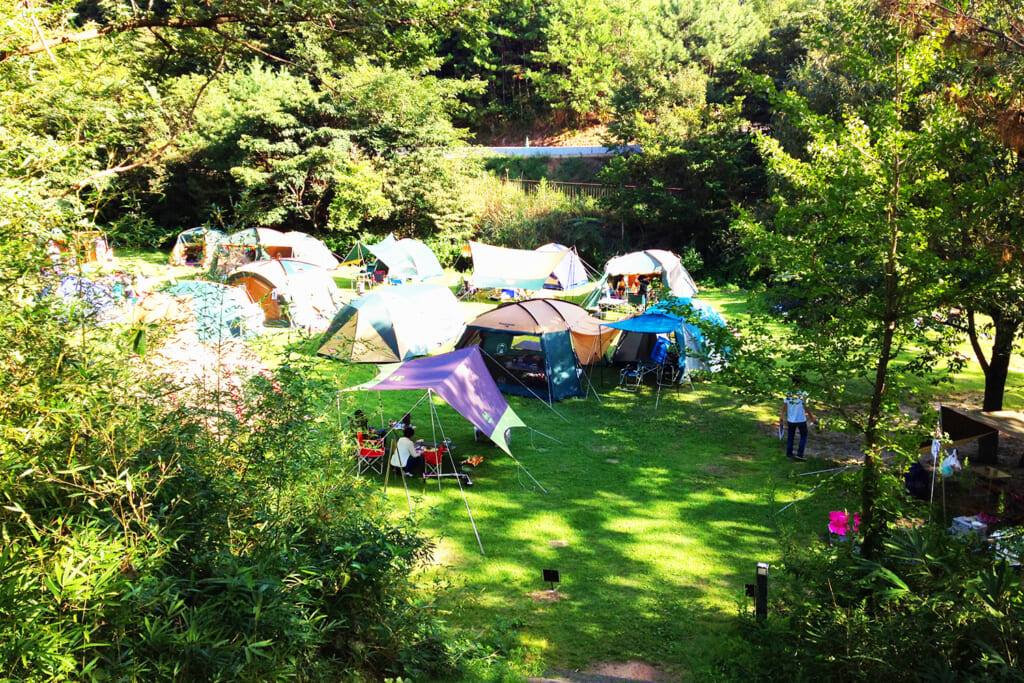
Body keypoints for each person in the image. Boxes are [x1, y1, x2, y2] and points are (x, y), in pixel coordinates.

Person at [780, 380, 816, 461]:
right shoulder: (804, 393)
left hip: (791, 419)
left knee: (790, 436)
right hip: (801, 419)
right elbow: (807, 407)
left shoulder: (788, 393)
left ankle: (789, 454)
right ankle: (800, 454)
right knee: (803, 435)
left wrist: (781, 416)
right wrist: (812, 417)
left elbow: (784, 406)